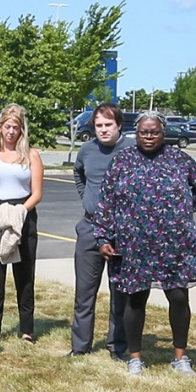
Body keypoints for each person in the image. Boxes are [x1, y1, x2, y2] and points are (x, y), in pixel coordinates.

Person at [87, 111, 196, 375]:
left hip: (173, 243)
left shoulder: (179, 159)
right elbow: (106, 201)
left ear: (163, 132)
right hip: (133, 244)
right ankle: (135, 356)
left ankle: (180, 357)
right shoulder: (123, 161)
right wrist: (103, 237)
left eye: (154, 132)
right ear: (137, 133)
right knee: (135, 300)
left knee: (178, 297)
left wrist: (183, 210)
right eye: (144, 132)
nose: (149, 136)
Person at [0, 103, 43, 347]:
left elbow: (36, 193)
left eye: (16, 127)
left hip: (23, 214)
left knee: (24, 275)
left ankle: (27, 330)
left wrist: (19, 212)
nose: (11, 131)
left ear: (22, 130)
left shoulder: (32, 156)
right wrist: (1, 213)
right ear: (0, 128)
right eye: (7, 126)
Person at [71, 104, 127, 359]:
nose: (103, 130)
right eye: (99, 125)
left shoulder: (130, 151)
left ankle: (117, 347)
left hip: (122, 232)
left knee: (120, 295)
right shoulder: (87, 150)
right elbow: (78, 173)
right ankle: (80, 347)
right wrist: (87, 199)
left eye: (108, 125)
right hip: (90, 227)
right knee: (84, 292)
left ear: (118, 126)